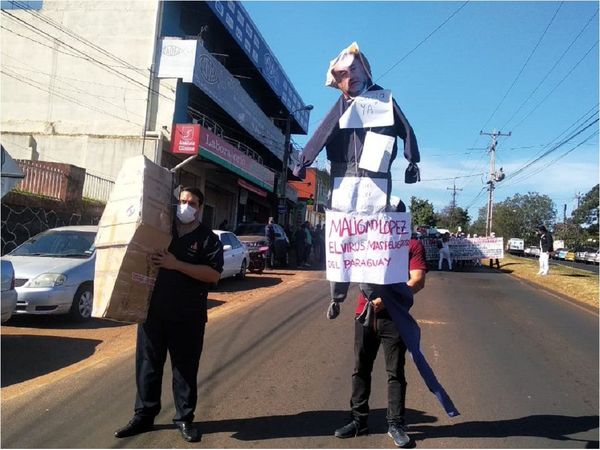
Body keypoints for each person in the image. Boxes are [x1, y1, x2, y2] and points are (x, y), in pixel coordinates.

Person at [114, 187, 224, 443]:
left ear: (200, 208)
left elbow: (213, 275)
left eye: (192, 202)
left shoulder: (208, 239)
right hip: (152, 312)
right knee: (147, 366)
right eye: (182, 201)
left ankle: (184, 418)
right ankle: (144, 415)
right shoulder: (161, 231)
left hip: (188, 316)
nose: (185, 206)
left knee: (184, 369)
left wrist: (176, 264)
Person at [334, 200, 427, 447]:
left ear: (399, 219)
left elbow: (417, 280)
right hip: (363, 314)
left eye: (389, 215)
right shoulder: (366, 242)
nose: (384, 219)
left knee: (395, 372)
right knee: (360, 368)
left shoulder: (411, 244)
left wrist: (386, 300)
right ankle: (358, 421)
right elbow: (344, 264)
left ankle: (395, 424)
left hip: (394, 318)